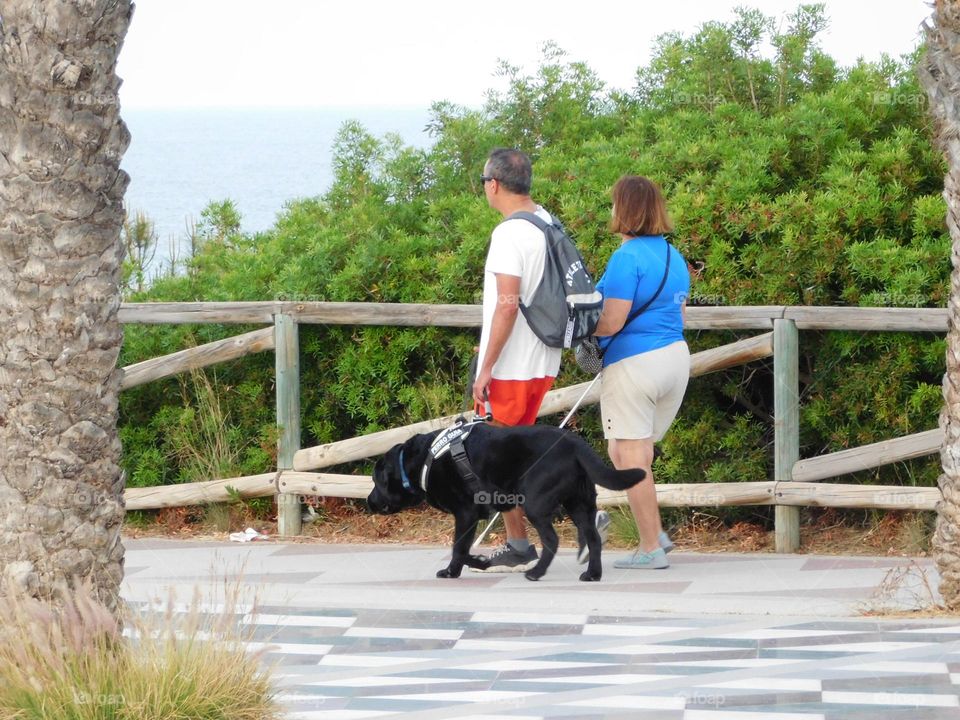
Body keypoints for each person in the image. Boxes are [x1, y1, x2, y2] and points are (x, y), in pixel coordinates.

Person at [471, 148, 562, 572]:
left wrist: (486, 365)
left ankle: (523, 541)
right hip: (542, 357)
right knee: (518, 452)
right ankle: (535, 529)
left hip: (512, 366)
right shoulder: (545, 220)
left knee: (497, 456)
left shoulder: (509, 234)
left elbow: (507, 305)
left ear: (493, 184)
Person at [592, 175, 690, 569]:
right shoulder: (674, 255)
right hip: (675, 358)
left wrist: (581, 327)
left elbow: (611, 321)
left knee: (629, 454)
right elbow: (680, 314)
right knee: (636, 449)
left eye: (615, 203)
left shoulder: (626, 257)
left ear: (625, 209)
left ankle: (650, 547)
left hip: (635, 363)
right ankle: (658, 534)